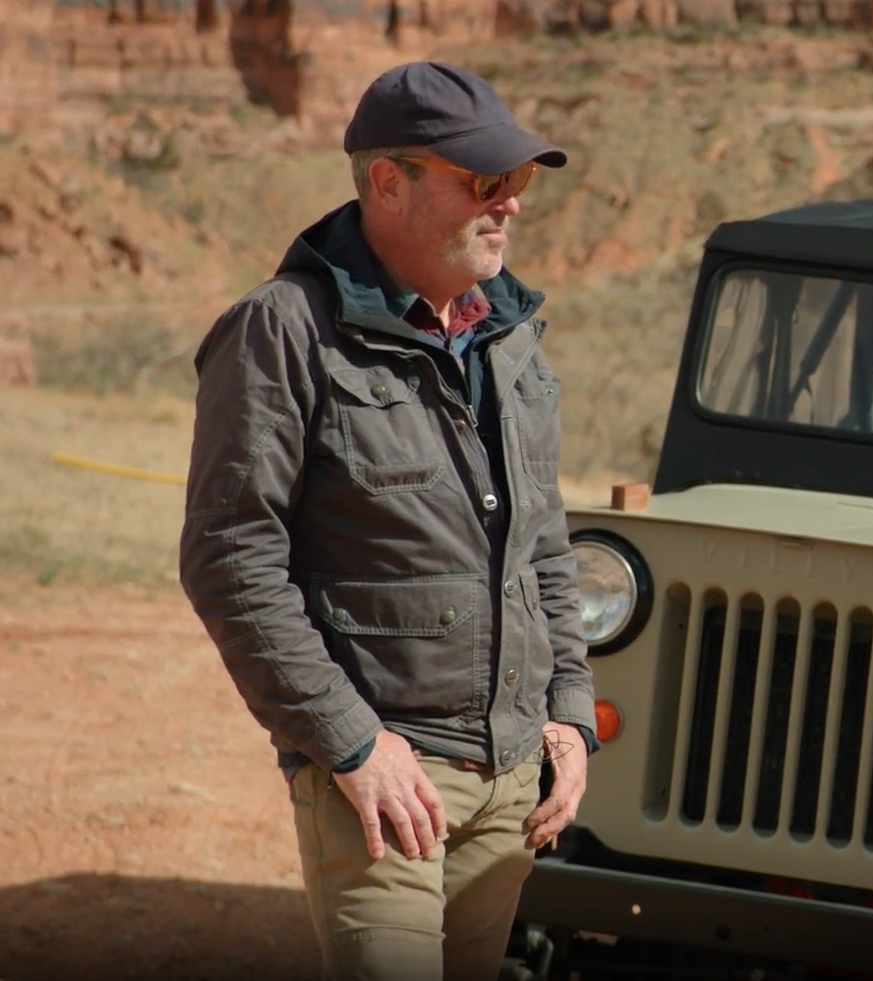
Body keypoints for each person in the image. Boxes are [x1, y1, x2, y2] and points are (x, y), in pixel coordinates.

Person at [178, 60, 597, 981]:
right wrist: (352, 743)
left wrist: (569, 713)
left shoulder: (509, 336)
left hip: (512, 785)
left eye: (518, 180)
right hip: (385, 782)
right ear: (387, 182)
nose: (509, 203)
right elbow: (230, 558)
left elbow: (544, 546)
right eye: (483, 180)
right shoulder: (282, 330)